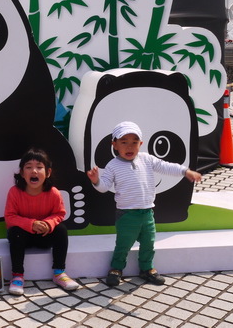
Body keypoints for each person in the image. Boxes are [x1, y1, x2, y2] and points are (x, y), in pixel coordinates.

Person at [86, 121, 202, 287]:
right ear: (115, 145)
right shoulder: (113, 165)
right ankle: (116, 269)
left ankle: (147, 269)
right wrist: (96, 180)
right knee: (123, 244)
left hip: (147, 213)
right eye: (124, 142)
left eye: (134, 142)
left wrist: (185, 171)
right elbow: (104, 187)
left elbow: (166, 166)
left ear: (140, 144)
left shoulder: (147, 159)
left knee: (149, 243)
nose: (130, 146)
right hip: (126, 215)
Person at [4, 148, 79, 295]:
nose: (34, 171)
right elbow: (10, 217)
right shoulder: (14, 192)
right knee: (14, 232)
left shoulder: (54, 193)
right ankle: (17, 276)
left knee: (61, 230)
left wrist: (48, 224)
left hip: (44, 236)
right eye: (28, 167)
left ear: (48, 172)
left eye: (39, 167)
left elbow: (59, 214)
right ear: (22, 173)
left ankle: (59, 273)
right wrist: (32, 224)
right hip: (23, 237)